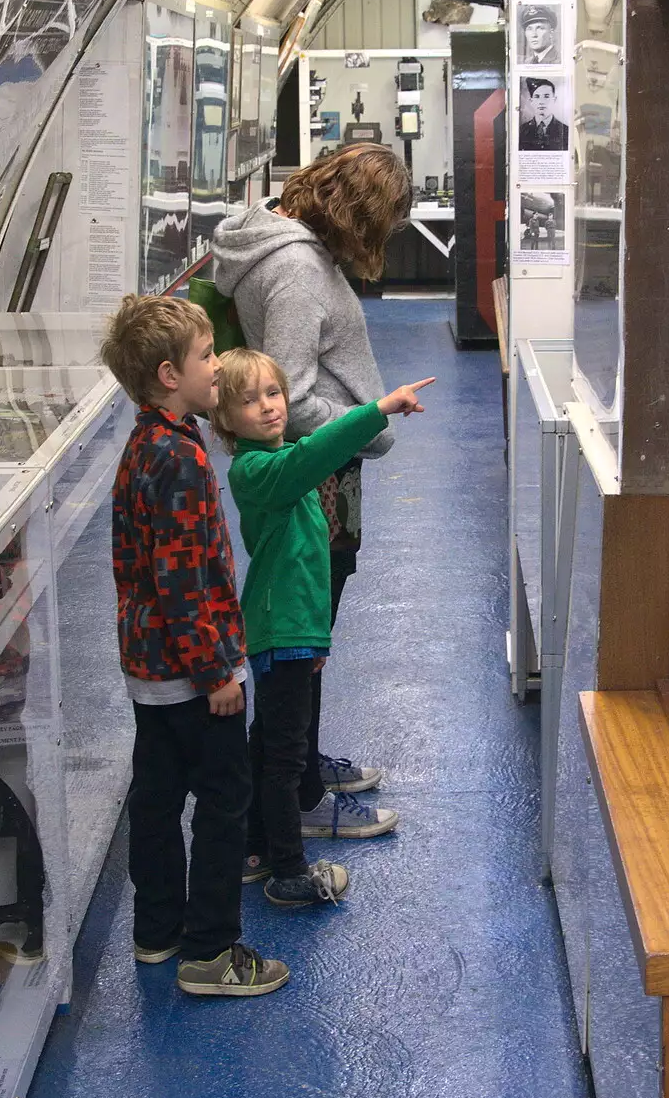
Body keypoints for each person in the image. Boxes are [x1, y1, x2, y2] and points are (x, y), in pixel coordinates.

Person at [211, 144, 411, 850]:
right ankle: (295, 794)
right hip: (316, 479)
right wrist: (366, 426)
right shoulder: (296, 269)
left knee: (310, 643)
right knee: (299, 649)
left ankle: (299, 770)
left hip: (324, 472)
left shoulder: (282, 243)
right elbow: (289, 395)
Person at [100, 294, 288, 998]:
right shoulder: (178, 458)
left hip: (150, 668)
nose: (217, 367)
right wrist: (216, 672)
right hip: (192, 672)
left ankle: (157, 932)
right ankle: (210, 951)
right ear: (167, 374)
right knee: (223, 799)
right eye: (206, 357)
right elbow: (181, 580)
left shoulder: (146, 442)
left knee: (156, 795)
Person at [210, 349, 432, 907]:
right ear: (225, 420)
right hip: (279, 632)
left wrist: (318, 640)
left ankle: (257, 846)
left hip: (294, 632)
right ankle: (289, 870)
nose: (267, 407)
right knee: (284, 759)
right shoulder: (261, 471)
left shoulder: (280, 462)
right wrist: (377, 409)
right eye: (248, 400)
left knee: (270, 747)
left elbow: (307, 567)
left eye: (273, 393)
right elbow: (318, 452)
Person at [518, 79, 569, 151]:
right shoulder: (521, 131)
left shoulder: (566, 131)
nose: (541, 102)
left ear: (554, 100)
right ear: (531, 101)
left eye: (546, 96)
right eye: (537, 96)